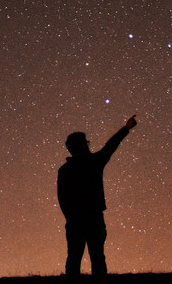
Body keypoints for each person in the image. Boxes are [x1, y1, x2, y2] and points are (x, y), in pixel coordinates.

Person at [57, 114, 137, 277]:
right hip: (93, 218)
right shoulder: (94, 162)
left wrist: (70, 217)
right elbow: (110, 146)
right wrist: (126, 128)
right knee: (98, 258)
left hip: (74, 221)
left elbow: (62, 198)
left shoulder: (64, 170)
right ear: (83, 146)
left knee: (73, 258)